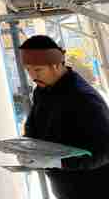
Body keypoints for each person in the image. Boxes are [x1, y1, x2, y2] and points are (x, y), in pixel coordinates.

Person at [18, 35, 109, 198]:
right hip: (64, 188)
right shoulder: (42, 90)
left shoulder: (84, 98)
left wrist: (57, 162)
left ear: (56, 65)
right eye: (28, 70)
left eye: (38, 70)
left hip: (95, 189)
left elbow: (103, 152)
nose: (33, 76)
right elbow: (34, 125)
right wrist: (26, 147)